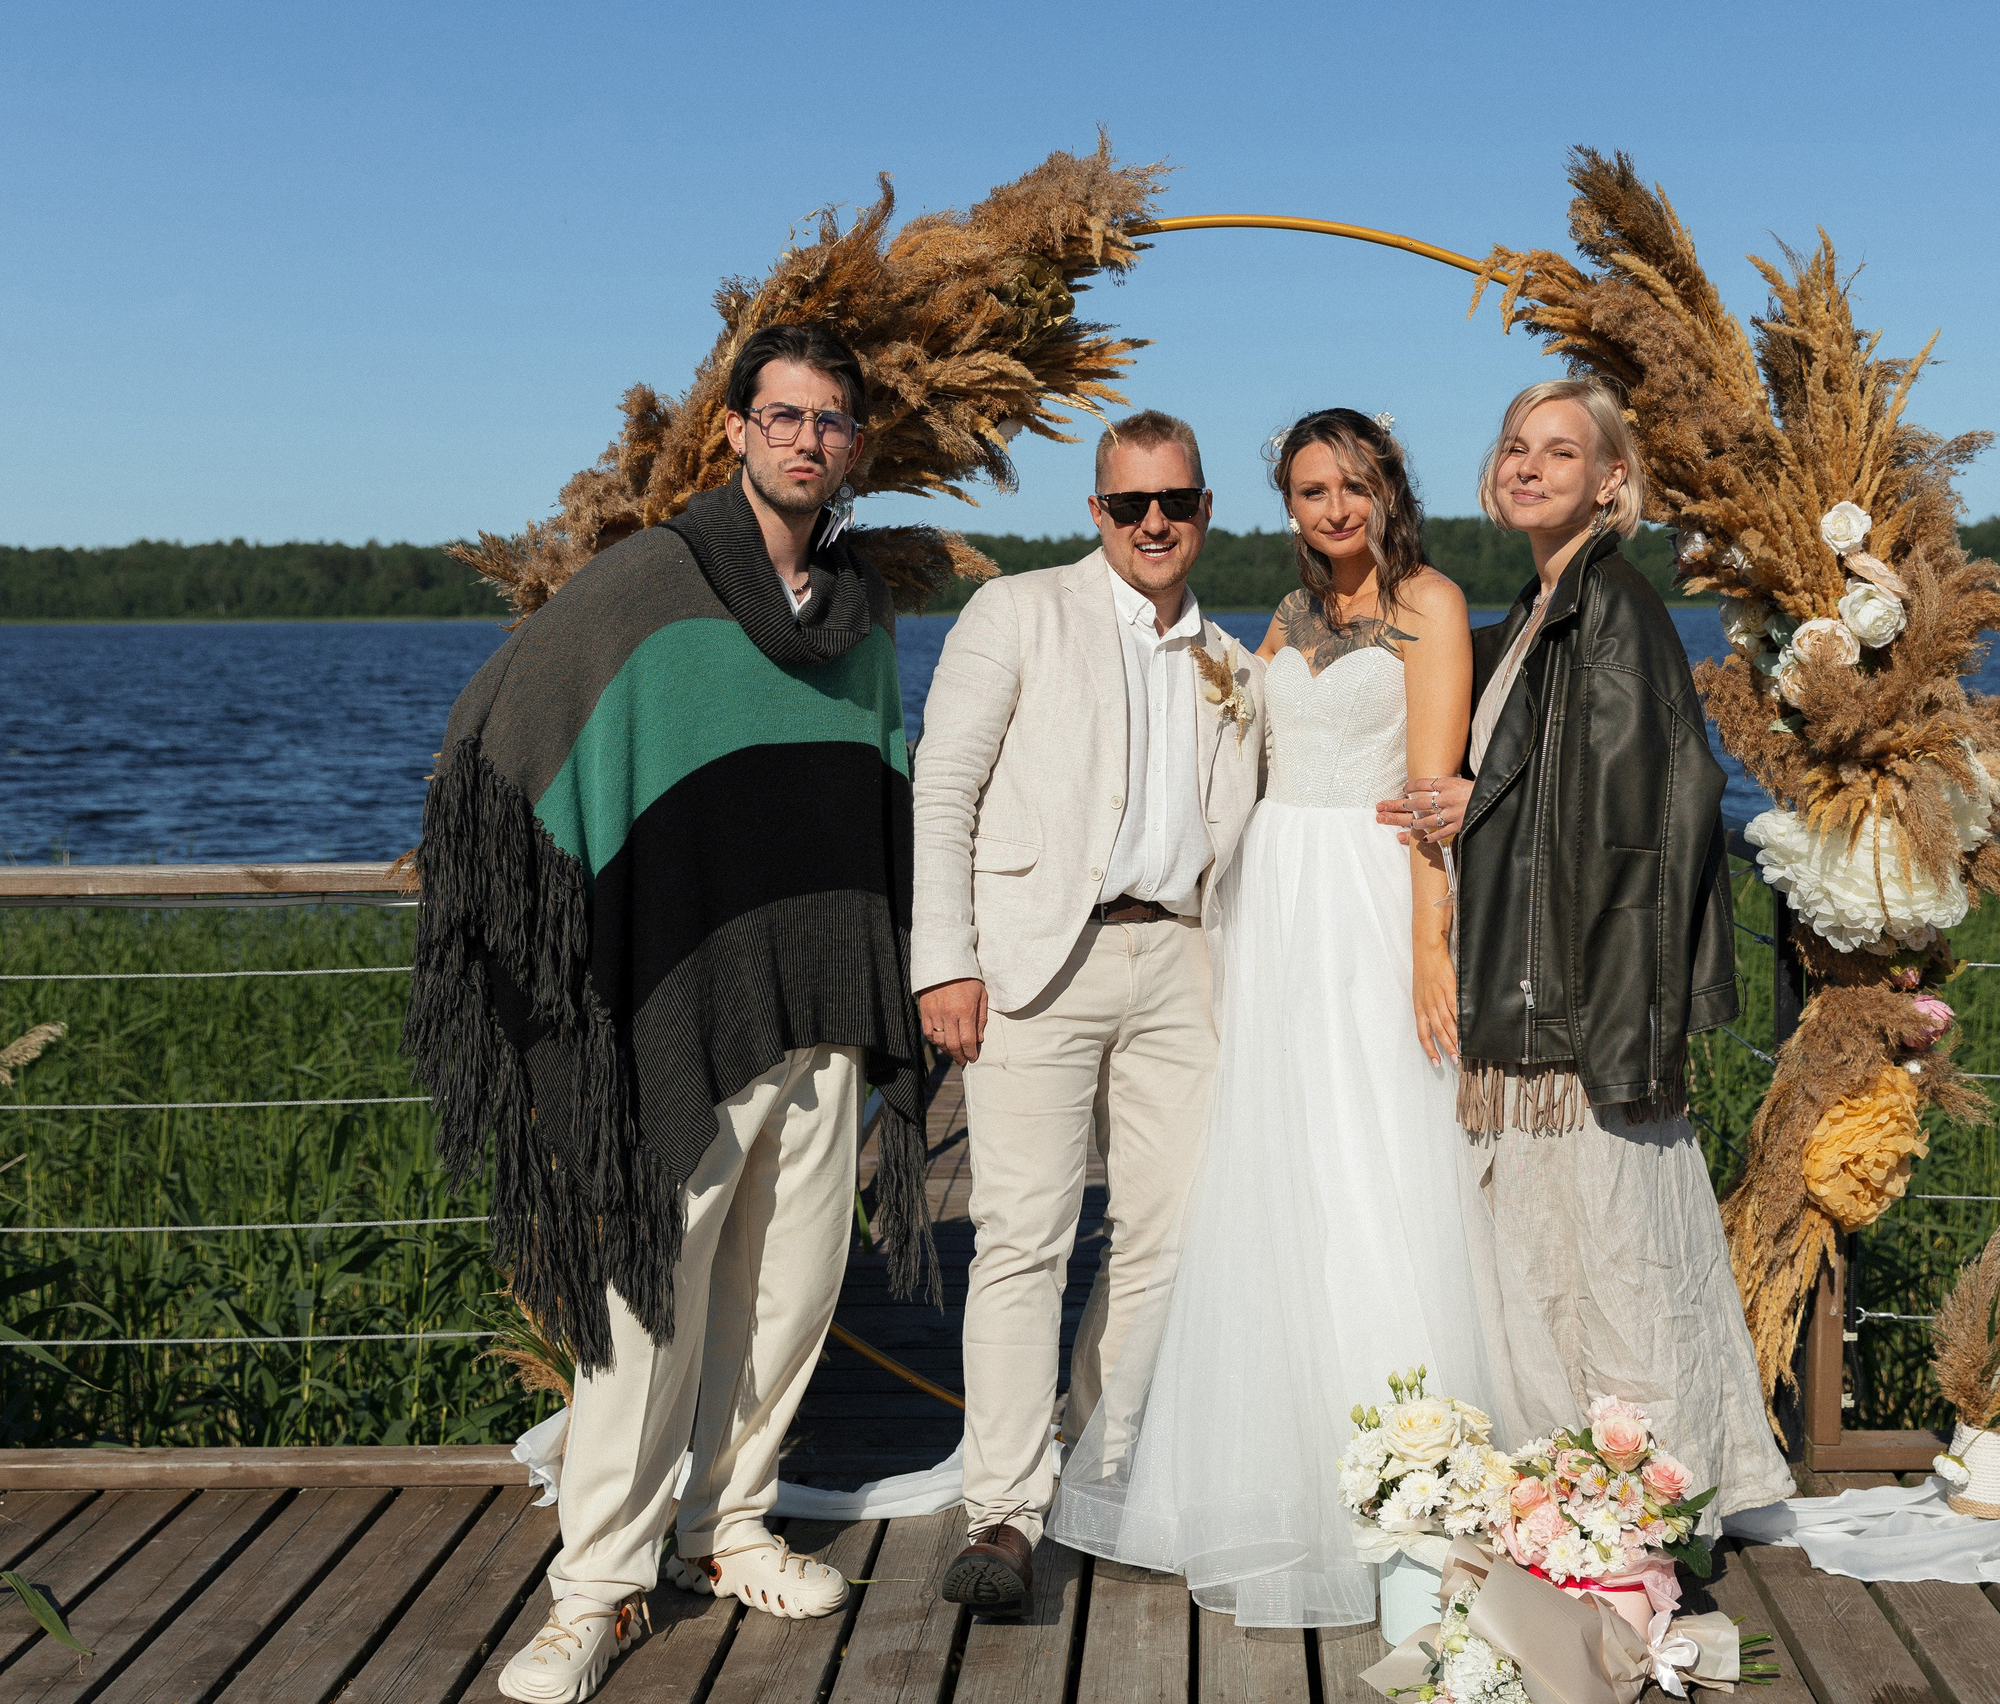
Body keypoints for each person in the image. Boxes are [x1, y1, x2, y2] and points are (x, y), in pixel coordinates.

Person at [406, 322, 934, 1703]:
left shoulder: (864, 613)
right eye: (785, 414)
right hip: (685, 995)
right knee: (648, 1299)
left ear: (854, 446)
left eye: (832, 419)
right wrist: (505, 884)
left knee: (792, 1290)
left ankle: (729, 1527)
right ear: (736, 429)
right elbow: (503, 726)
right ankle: (597, 1588)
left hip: (828, 991)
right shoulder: (649, 580)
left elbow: (880, 793)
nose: (808, 439)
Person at [1050, 408, 1497, 1628]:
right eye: (1309, 491)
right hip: (1269, 905)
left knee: (1372, 1160)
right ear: (1287, 507)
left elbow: (1429, 794)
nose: (1333, 508)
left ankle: (1402, 1473)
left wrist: (1428, 946)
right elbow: (1236, 751)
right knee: (1270, 1169)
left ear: (1388, 490)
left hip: (1364, 899)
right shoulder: (1289, 618)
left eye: (1352, 485)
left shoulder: (1431, 604)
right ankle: (1262, 1461)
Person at [1378, 377, 1796, 1528]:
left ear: (1611, 481)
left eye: (1559, 452)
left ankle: (1643, 1515)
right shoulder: (1537, 609)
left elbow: (1638, 815)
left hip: (1577, 1006)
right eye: (1515, 445)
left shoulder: (1611, 607)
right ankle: (1588, 1505)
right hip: (1545, 988)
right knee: (1561, 1269)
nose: (1527, 466)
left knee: (1611, 1269)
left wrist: (1478, 804)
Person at [911, 410, 1268, 1613]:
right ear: (1096, 511)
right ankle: (1005, 1513)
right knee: (1023, 1234)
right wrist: (943, 960)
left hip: (1183, 961)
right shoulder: (1016, 611)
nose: (1153, 523)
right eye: (1129, 505)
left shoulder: (1234, 662)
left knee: (1168, 1234)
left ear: (1204, 510)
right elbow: (943, 785)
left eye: (1174, 502)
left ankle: (1102, 1477)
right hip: (1034, 962)